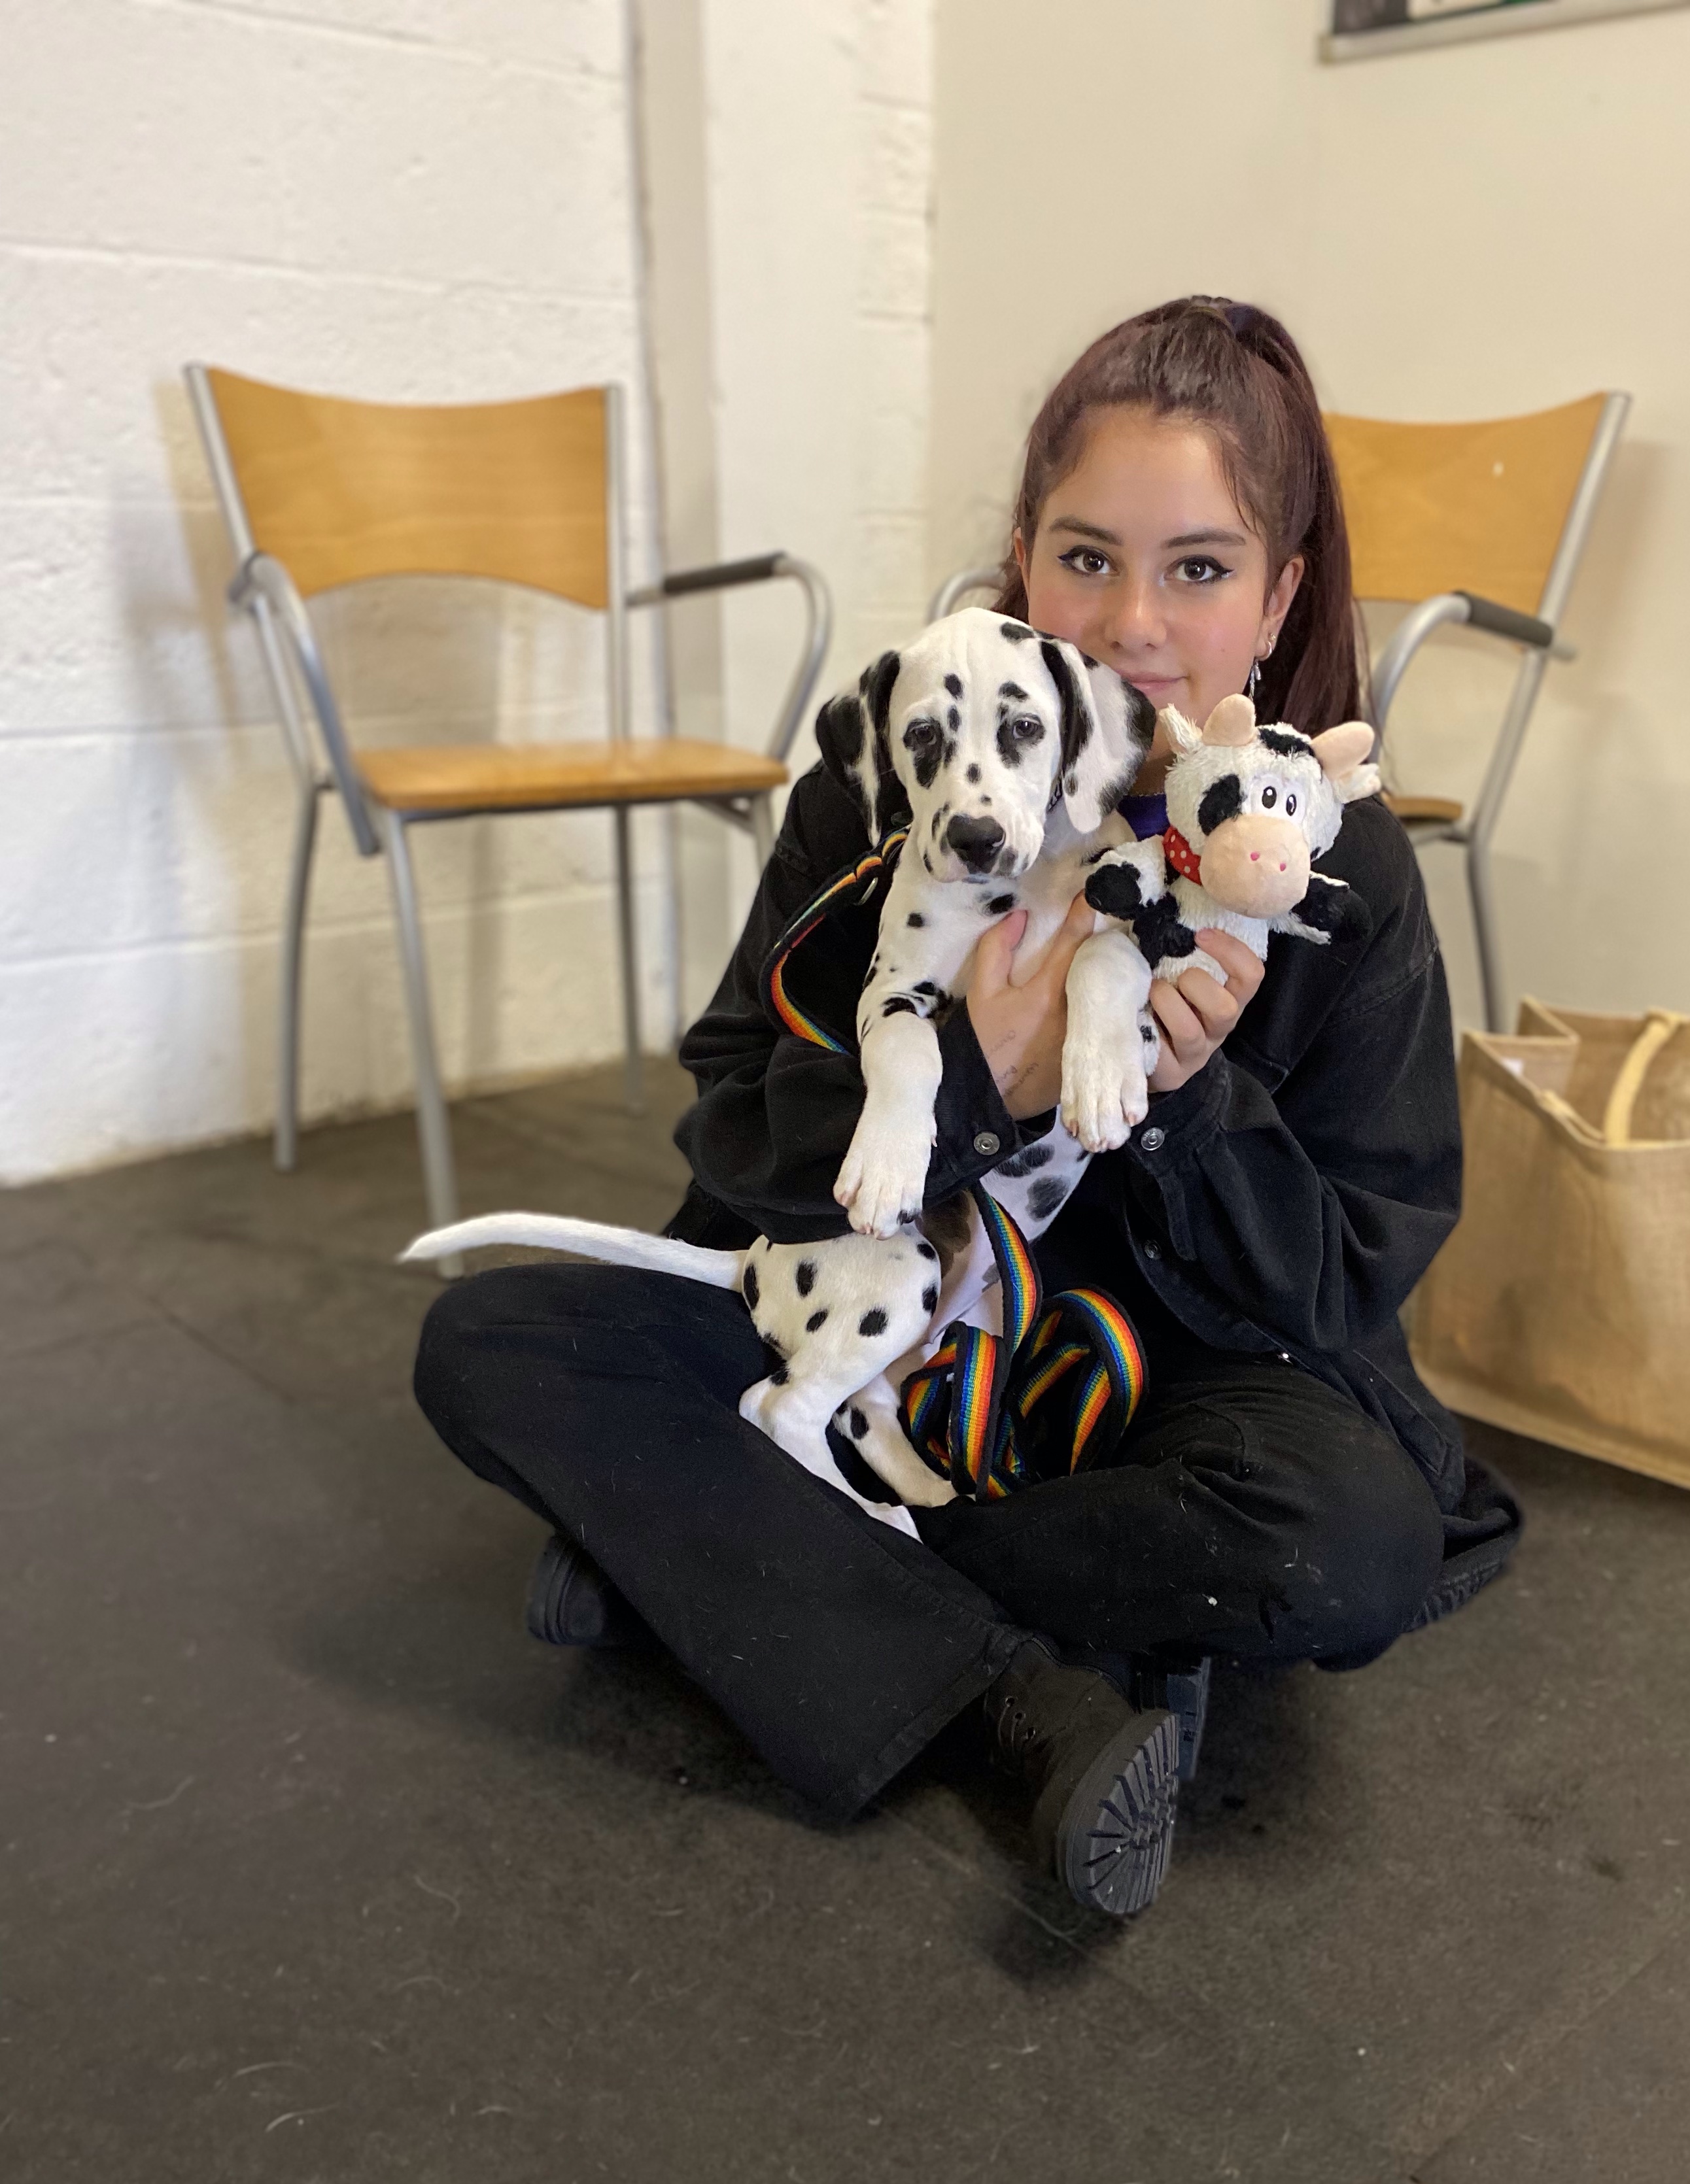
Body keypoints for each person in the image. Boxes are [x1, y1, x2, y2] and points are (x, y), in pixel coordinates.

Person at [414, 296, 1521, 1919]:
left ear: (1281, 598)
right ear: (1020, 556)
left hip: (1158, 1376)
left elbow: (1353, 1270)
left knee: (1346, 1539)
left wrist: (1193, 1104)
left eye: (1199, 569)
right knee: (492, 1340)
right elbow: (733, 1118)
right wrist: (973, 1090)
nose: (1133, 623)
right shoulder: (896, 767)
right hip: (865, 1303)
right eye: (1085, 557)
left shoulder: (1336, 867)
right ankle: (1023, 1687)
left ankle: (742, 1562)